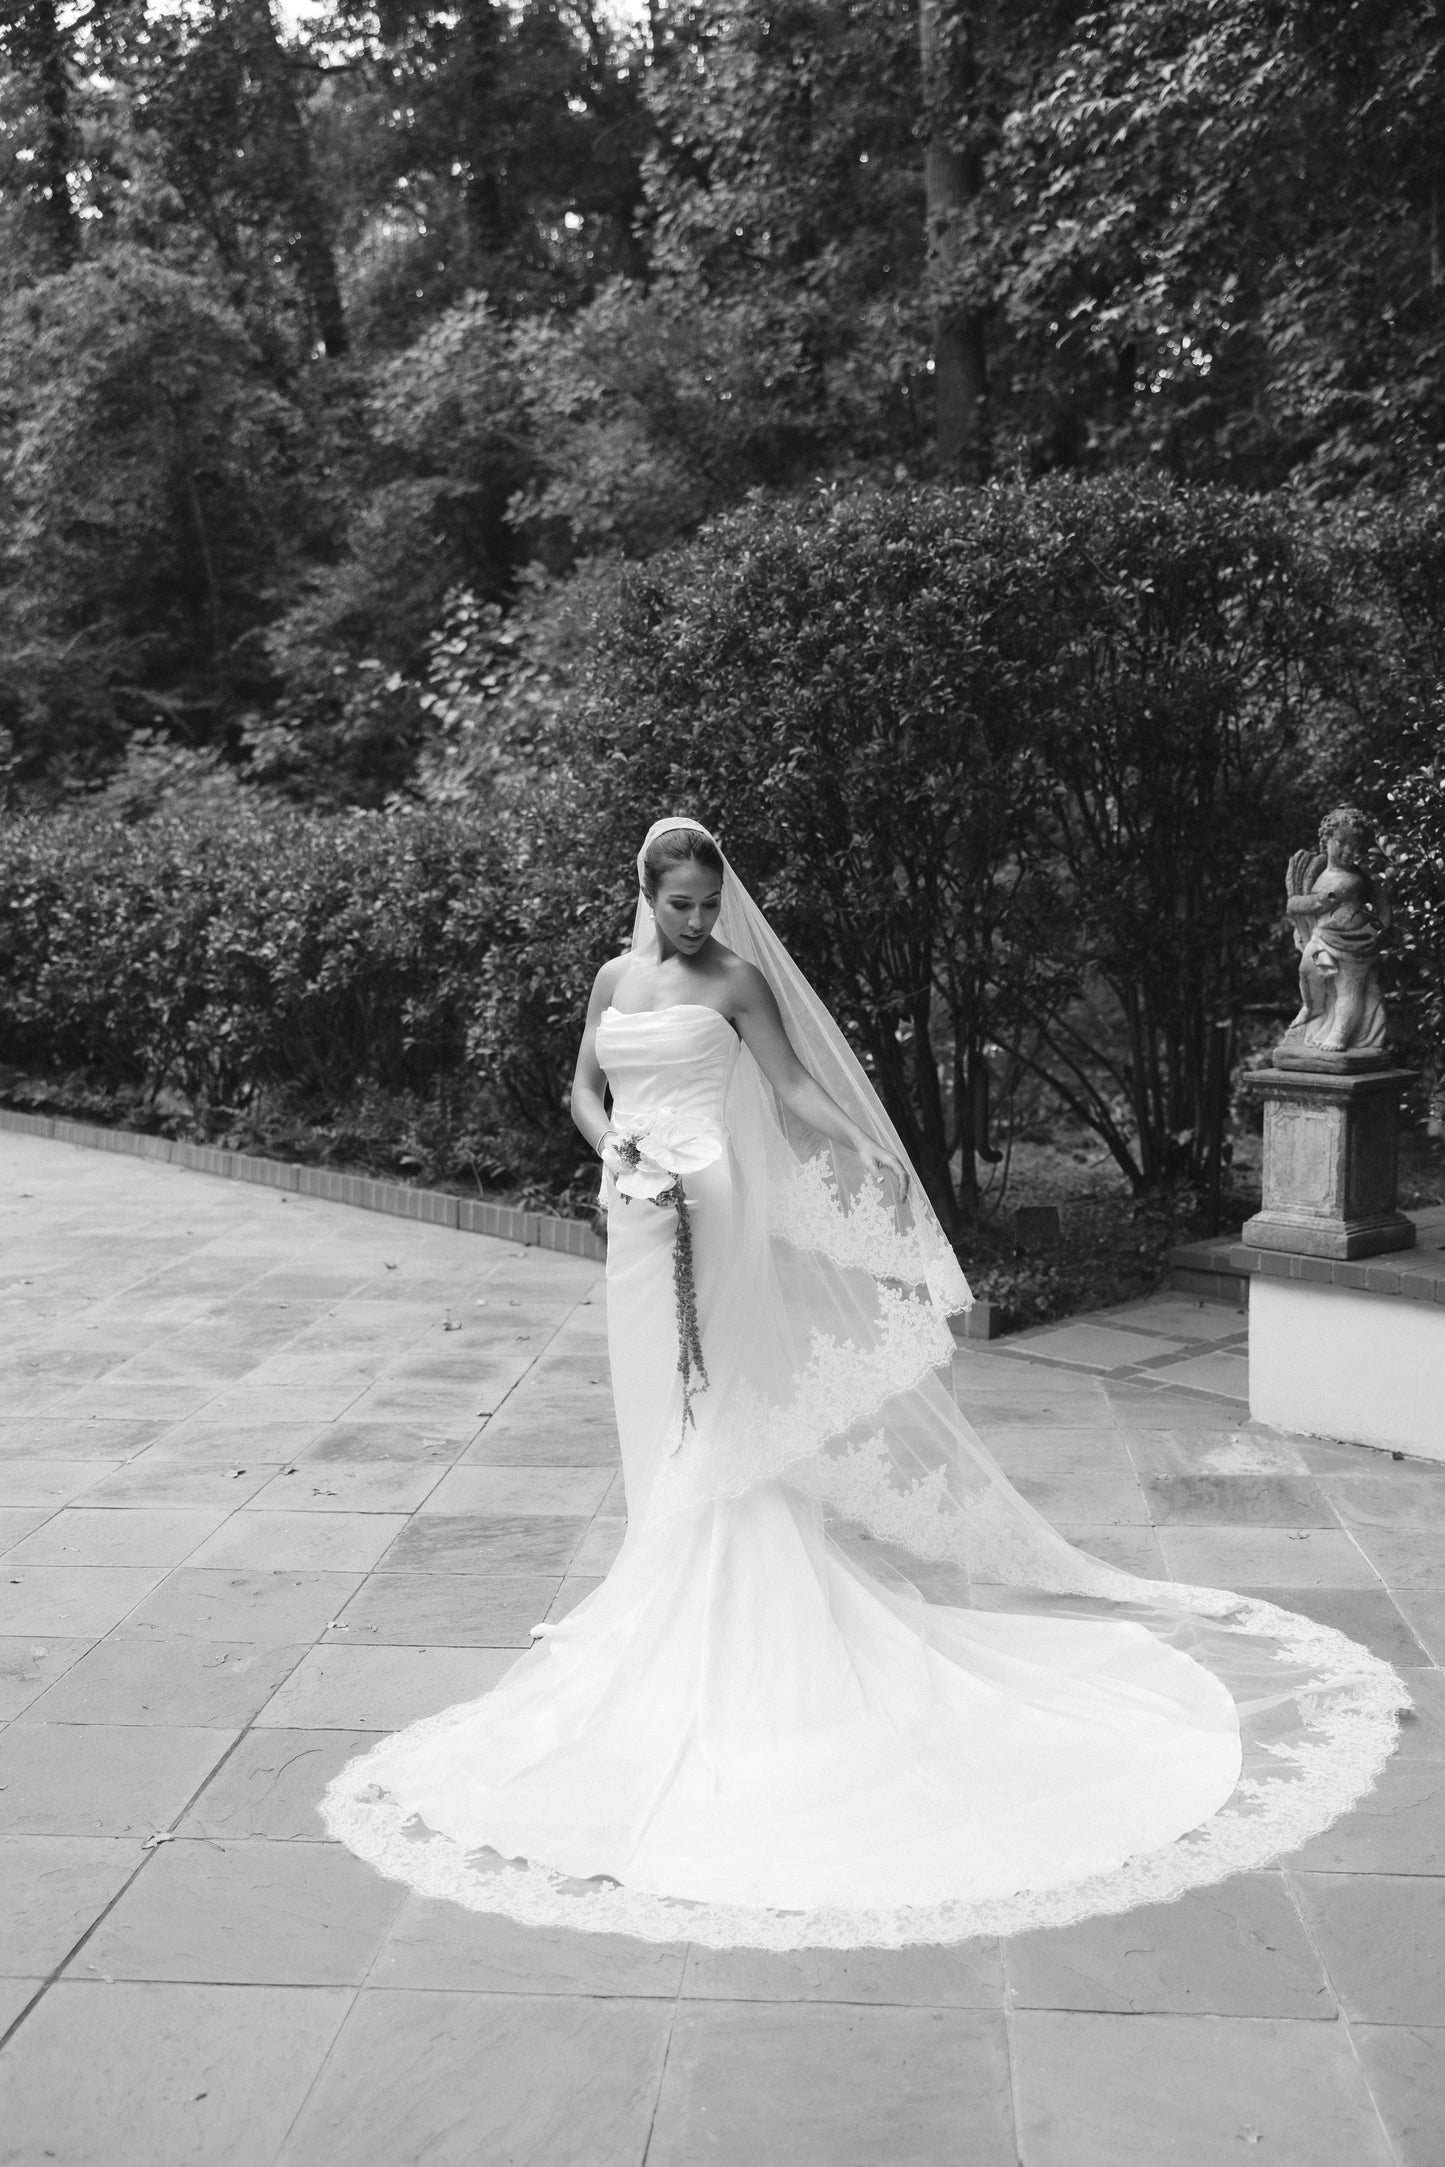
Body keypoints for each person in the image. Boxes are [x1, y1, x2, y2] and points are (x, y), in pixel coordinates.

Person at [322, 817, 1410, 1951]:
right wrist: (615, 1150)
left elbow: (790, 1090)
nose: (697, 921)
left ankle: (723, 1601)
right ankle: (655, 1579)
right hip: (634, 1212)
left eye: (707, 902)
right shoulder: (613, 974)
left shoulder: (737, 978)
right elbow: (580, 1091)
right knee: (652, 1401)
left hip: (721, 1199)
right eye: (679, 904)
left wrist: (871, 1151)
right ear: (647, 895)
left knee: (723, 1393)